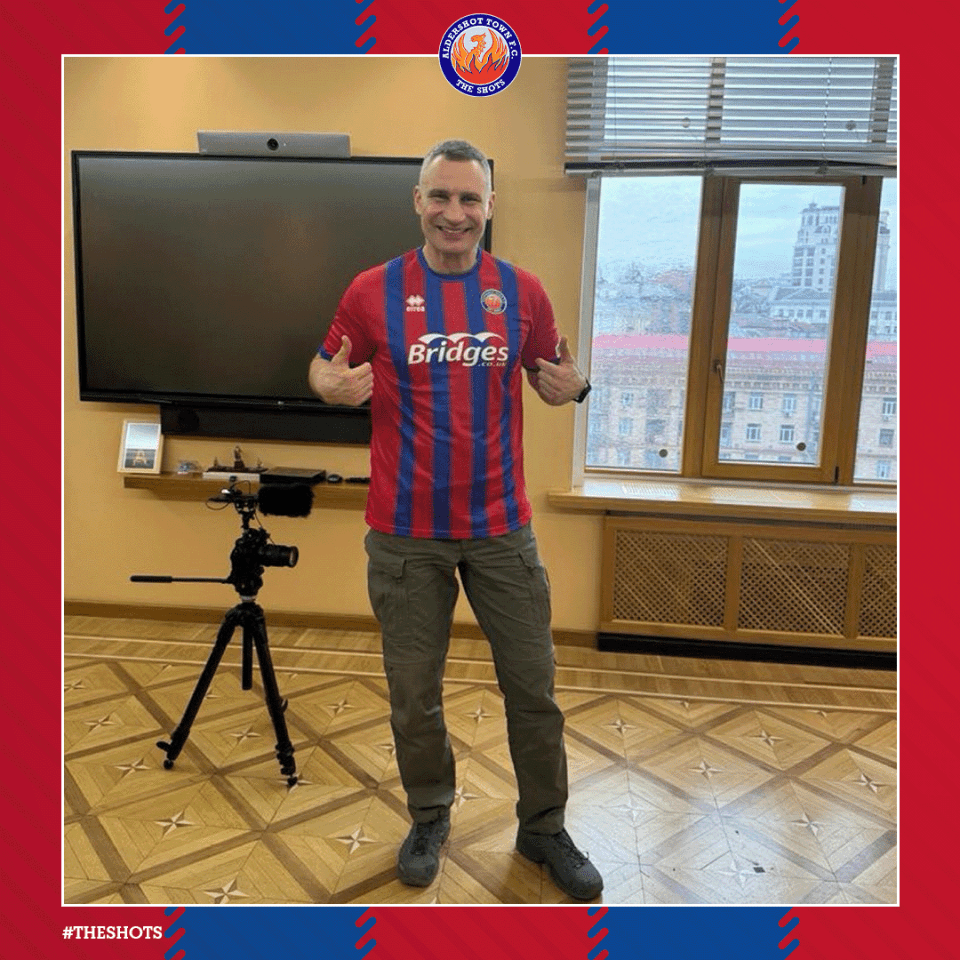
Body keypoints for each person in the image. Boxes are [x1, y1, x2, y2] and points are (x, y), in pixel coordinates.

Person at [308, 139, 601, 901]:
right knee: (414, 692)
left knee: (533, 688)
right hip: (405, 534)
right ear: (417, 202)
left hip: (502, 529)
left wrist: (577, 387)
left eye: (470, 199)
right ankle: (430, 814)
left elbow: (555, 377)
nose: (454, 212)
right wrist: (328, 386)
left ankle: (544, 829)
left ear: (490, 209)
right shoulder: (373, 290)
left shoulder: (522, 292)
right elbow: (324, 363)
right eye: (440, 196)